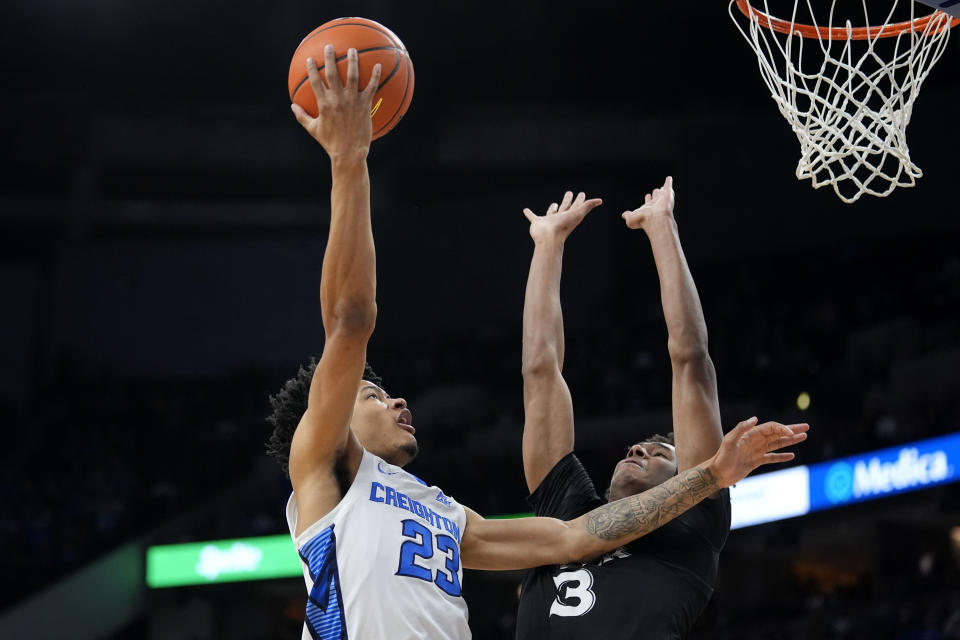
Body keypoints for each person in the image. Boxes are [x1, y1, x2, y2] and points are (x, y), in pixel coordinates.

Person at [266, 47, 808, 640]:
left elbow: (576, 538)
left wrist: (712, 475)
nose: (397, 402)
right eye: (372, 394)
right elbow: (351, 320)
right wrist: (351, 160)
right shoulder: (323, 463)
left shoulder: (447, 515)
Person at [515, 183, 797, 638]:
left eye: (660, 454)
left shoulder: (693, 525)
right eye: (640, 446)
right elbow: (539, 373)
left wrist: (661, 226)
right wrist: (548, 247)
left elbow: (691, 362)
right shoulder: (566, 509)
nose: (638, 449)